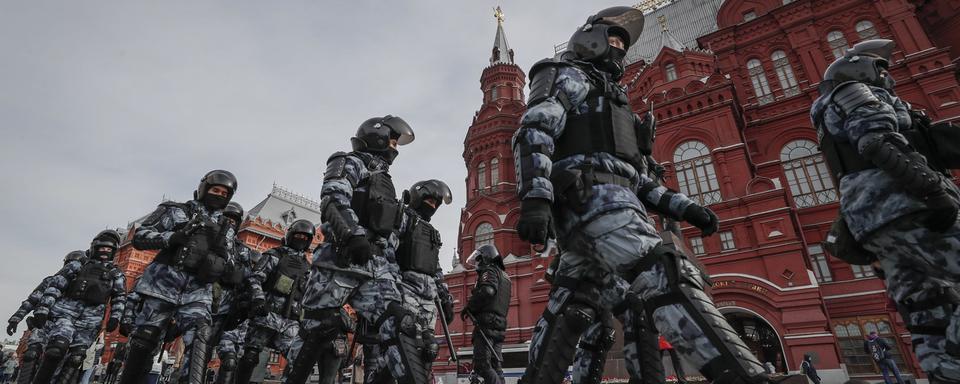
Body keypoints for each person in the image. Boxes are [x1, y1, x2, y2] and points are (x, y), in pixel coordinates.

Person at [514, 6, 769, 384]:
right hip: (593, 199)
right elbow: (535, 129)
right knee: (663, 272)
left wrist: (687, 208)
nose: (619, 48)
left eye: (623, 43)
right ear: (591, 39)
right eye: (613, 39)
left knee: (582, 307)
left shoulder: (616, 105)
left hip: (612, 201)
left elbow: (640, 179)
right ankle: (746, 377)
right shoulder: (566, 75)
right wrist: (535, 196)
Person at [811, 39, 960, 382]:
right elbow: (876, 141)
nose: (887, 77)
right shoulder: (855, 92)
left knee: (926, 306)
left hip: (872, 223)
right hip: (904, 206)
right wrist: (932, 190)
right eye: (881, 69)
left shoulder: (832, 104)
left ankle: (945, 371)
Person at [289, 115, 417, 384]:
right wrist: (352, 236)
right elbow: (333, 201)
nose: (395, 148)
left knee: (400, 325)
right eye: (392, 141)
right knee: (317, 328)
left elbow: (390, 234)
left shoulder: (387, 182)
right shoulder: (348, 162)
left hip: (376, 269)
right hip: (339, 262)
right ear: (378, 137)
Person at [119, 169, 239, 384]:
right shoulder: (175, 211)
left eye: (224, 193)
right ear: (204, 188)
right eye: (215, 189)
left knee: (201, 336)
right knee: (144, 341)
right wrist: (173, 237)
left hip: (198, 291)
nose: (219, 195)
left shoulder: (226, 229)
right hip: (161, 286)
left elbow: (230, 264)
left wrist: (222, 261)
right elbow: (140, 237)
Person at [362, 179, 456, 383]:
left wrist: (445, 297)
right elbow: (386, 251)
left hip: (428, 300)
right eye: (429, 200)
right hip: (405, 291)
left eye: (436, 203)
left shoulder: (432, 232)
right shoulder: (403, 218)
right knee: (402, 346)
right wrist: (391, 286)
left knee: (428, 350)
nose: (432, 206)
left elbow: (435, 268)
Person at [30, 229, 126, 383]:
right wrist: (43, 308)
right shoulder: (78, 264)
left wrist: (116, 317)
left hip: (91, 320)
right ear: (95, 247)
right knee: (56, 350)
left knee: (75, 359)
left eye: (109, 249)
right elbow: (56, 286)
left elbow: (120, 297)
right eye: (102, 248)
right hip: (65, 313)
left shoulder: (116, 273)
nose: (105, 252)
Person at [234, 219, 314, 384]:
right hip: (266, 315)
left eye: (305, 238)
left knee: (299, 361)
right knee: (249, 357)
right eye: (298, 235)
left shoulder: (308, 268)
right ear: (290, 235)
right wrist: (258, 299)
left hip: (291, 322)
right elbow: (255, 279)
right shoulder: (274, 255)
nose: (301, 239)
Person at [6, 250, 86, 384]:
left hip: (63, 329)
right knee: (32, 355)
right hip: (47, 324)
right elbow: (33, 299)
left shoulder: (83, 284)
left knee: (57, 360)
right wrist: (16, 318)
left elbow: (31, 300)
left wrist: (16, 318)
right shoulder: (52, 280)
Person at [462, 245, 511, 384]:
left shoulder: (489, 271)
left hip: (486, 323)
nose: (477, 263)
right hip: (500, 325)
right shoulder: (505, 276)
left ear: (486, 257)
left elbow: (488, 291)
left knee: (482, 364)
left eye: (478, 259)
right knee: (496, 365)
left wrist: (470, 307)